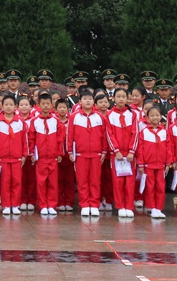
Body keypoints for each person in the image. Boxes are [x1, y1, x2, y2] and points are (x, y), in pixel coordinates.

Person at [67, 89, 106, 217]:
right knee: (82, 181)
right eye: (85, 99)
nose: (88, 101)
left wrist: (104, 150)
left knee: (95, 180)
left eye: (90, 99)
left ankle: (94, 204)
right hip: (80, 154)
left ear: (94, 101)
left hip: (96, 154)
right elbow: (70, 135)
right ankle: (84, 204)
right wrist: (70, 151)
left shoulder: (100, 117)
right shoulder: (74, 117)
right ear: (80, 102)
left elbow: (104, 135)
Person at [0, 93, 27, 216]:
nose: (8, 107)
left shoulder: (20, 121)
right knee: (5, 182)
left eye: (11, 104)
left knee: (17, 182)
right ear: (2, 106)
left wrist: (24, 155)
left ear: (15, 106)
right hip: (3, 158)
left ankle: (15, 205)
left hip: (17, 157)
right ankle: (6, 205)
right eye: (6, 104)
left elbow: (24, 140)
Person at [29, 93, 64, 217]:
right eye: (43, 104)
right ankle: (43, 205)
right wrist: (32, 153)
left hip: (53, 157)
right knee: (41, 182)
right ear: (38, 105)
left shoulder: (56, 121)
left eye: (47, 104)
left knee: (53, 182)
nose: (45, 106)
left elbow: (60, 139)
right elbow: (31, 139)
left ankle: (52, 205)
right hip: (41, 157)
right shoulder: (34, 121)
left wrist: (59, 153)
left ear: (51, 105)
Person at [106, 88, 138, 218]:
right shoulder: (109, 115)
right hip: (117, 154)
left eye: (123, 96)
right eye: (118, 96)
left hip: (130, 154)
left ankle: (129, 206)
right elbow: (109, 134)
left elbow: (135, 133)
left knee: (130, 181)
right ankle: (120, 206)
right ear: (113, 98)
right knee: (118, 181)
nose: (121, 99)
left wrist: (132, 151)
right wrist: (116, 151)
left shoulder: (132, 114)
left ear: (127, 99)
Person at [136, 104, 169, 219]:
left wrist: (168, 163)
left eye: (157, 115)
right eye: (152, 116)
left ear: (161, 117)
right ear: (147, 118)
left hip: (161, 164)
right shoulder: (144, 132)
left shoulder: (164, 132)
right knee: (150, 186)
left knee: (160, 186)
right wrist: (141, 163)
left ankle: (159, 208)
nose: (155, 118)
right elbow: (140, 149)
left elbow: (168, 148)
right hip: (148, 164)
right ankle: (151, 207)